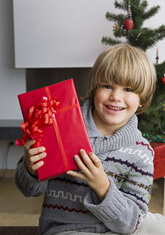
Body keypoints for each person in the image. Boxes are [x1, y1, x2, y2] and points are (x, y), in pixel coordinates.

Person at [15, 44, 165, 235]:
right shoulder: (61, 127)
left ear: (142, 99)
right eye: (107, 86)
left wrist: (103, 187)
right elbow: (29, 190)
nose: (116, 97)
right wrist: (30, 169)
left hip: (118, 229)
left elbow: (130, 224)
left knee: (157, 226)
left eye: (128, 89)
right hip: (67, 229)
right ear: (95, 89)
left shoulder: (141, 152)